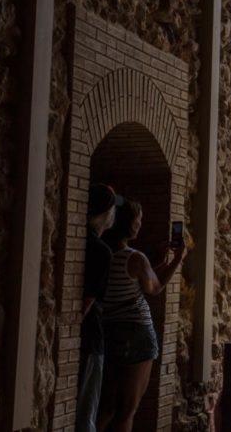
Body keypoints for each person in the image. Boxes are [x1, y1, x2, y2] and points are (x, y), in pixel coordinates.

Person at [99, 198, 184, 431]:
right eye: (138, 219)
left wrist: (155, 261)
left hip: (109, 331)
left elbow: (131, 280)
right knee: (127, 409)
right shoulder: (135, 258)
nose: (140, 224)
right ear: (129, 224)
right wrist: (177, 259)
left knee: (107, 406)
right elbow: (155, 288)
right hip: (136, 333)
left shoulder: (104, 253)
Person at [76, 183, 116, 432]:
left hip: (78, 340)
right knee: (85, 413)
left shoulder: (76, 240)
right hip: (90, 340)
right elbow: (87, 302)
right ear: (106, 213)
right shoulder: (101, 251)